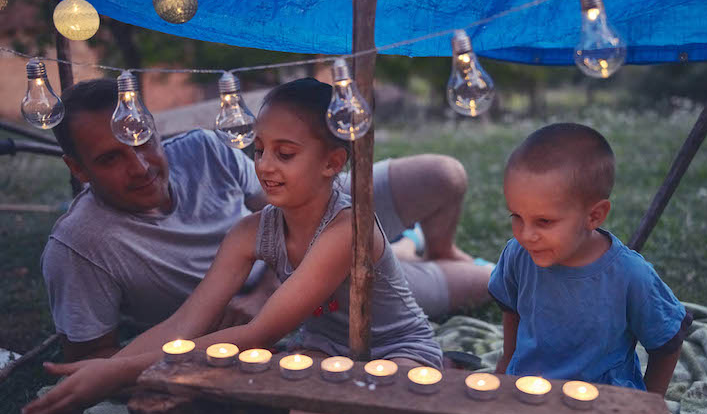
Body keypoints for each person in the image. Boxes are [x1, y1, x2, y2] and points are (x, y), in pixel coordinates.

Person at [3, 78, 444, 414]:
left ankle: (442, 373)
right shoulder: (250, 232)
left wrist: (114, 369)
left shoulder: (348, 229)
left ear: (332, 162)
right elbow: (184, 324)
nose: (266, 166)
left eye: (285, 154)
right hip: (324, 348)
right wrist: (69, 405)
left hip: (394, 348)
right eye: (259, 150)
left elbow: (258, 333)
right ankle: (351, 406)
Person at [41, 78, 490, 363]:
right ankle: (405, 249)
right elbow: (89, 359)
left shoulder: (201, 150)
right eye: (110, 158)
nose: (139, 167)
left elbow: (282, 203)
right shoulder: (80, 246)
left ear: (155, 128)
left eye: (142, 141)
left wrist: (265, 290)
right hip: (308, 284)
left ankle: (417, 246)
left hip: (311, 235)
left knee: (440, 176)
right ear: (77, 169)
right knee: (479, 284)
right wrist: (89, 386)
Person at [459, 123, 691, 414]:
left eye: (544, 221)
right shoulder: (520, 255)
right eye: (516, 216)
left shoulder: (628, 275)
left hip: (589, 407)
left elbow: (668, 341)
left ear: (594, 216)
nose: (526, 233)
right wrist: (505, 373)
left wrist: (647, 408)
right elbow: (512, 311)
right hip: (526, 390)